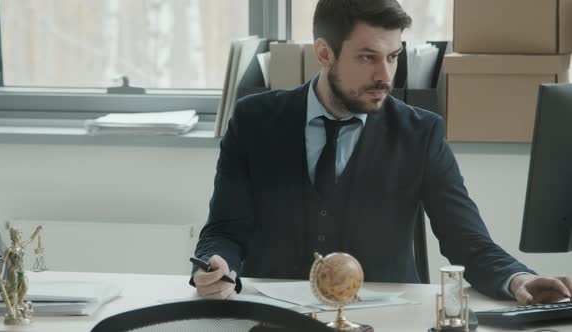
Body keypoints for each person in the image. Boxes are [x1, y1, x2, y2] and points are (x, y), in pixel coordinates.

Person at [191, 0, 572, 305]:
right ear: (324, 54)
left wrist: (519, 278)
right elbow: (225, 229)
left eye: (392, 56)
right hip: (272, 317)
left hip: (388, 321)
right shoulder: (255, 120)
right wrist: (215, 266)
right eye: (367, 57)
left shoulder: (420, 132)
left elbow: (467, 241)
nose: (385, 76)